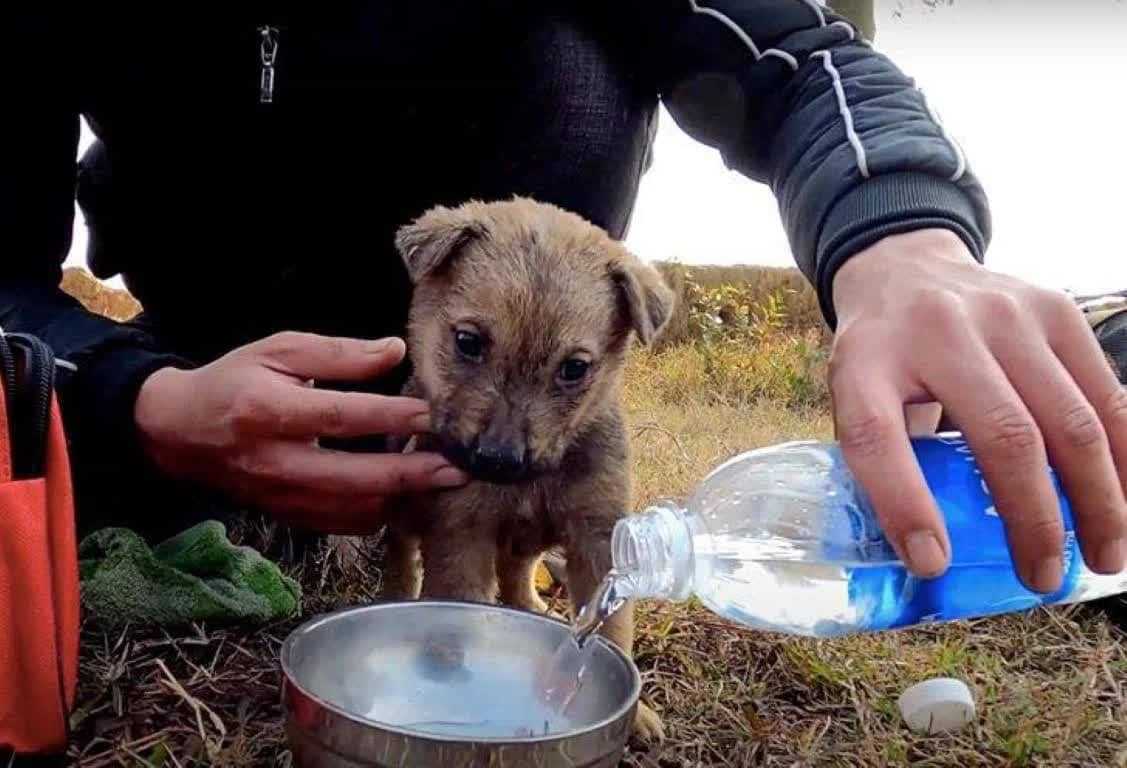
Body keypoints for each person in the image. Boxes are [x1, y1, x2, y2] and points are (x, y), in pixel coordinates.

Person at [3, 3, 1124, 596]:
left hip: (534, 290)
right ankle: (214, 470)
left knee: (577, 35)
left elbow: (792, 56)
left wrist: (900, 242)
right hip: (200, 356)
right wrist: (130, 398)